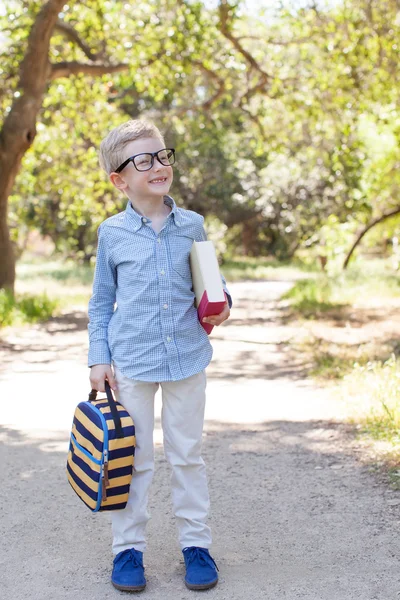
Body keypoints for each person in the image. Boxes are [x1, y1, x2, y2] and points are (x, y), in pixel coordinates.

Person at [88, 119, 232, 592]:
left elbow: (211, 280)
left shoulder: (192, 224)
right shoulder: (111, 233)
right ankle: (127, 551)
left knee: (187, 454)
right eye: (143, 160)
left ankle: (197, 545)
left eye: (163, 156)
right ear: (119, 179)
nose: (158, 166)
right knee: (133, 459)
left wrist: (222, 302)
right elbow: (100, 302)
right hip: (131, 360)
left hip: (187, 356)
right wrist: (98, 357)